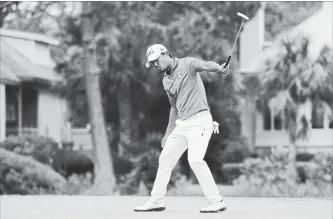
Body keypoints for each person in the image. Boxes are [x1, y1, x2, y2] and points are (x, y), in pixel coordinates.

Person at [134, 44, 229, 213]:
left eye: (156, 60)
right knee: (165, 159)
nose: (155, 64)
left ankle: (217, 201)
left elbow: (207, 65)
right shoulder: (166, 80)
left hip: (200, 120)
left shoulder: (188, 63)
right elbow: (174, 108)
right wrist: (167, 134)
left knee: (195, 160)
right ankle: (156, 200)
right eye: (152, 62)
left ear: (165, 54)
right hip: (183, 125)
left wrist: (219, 68)